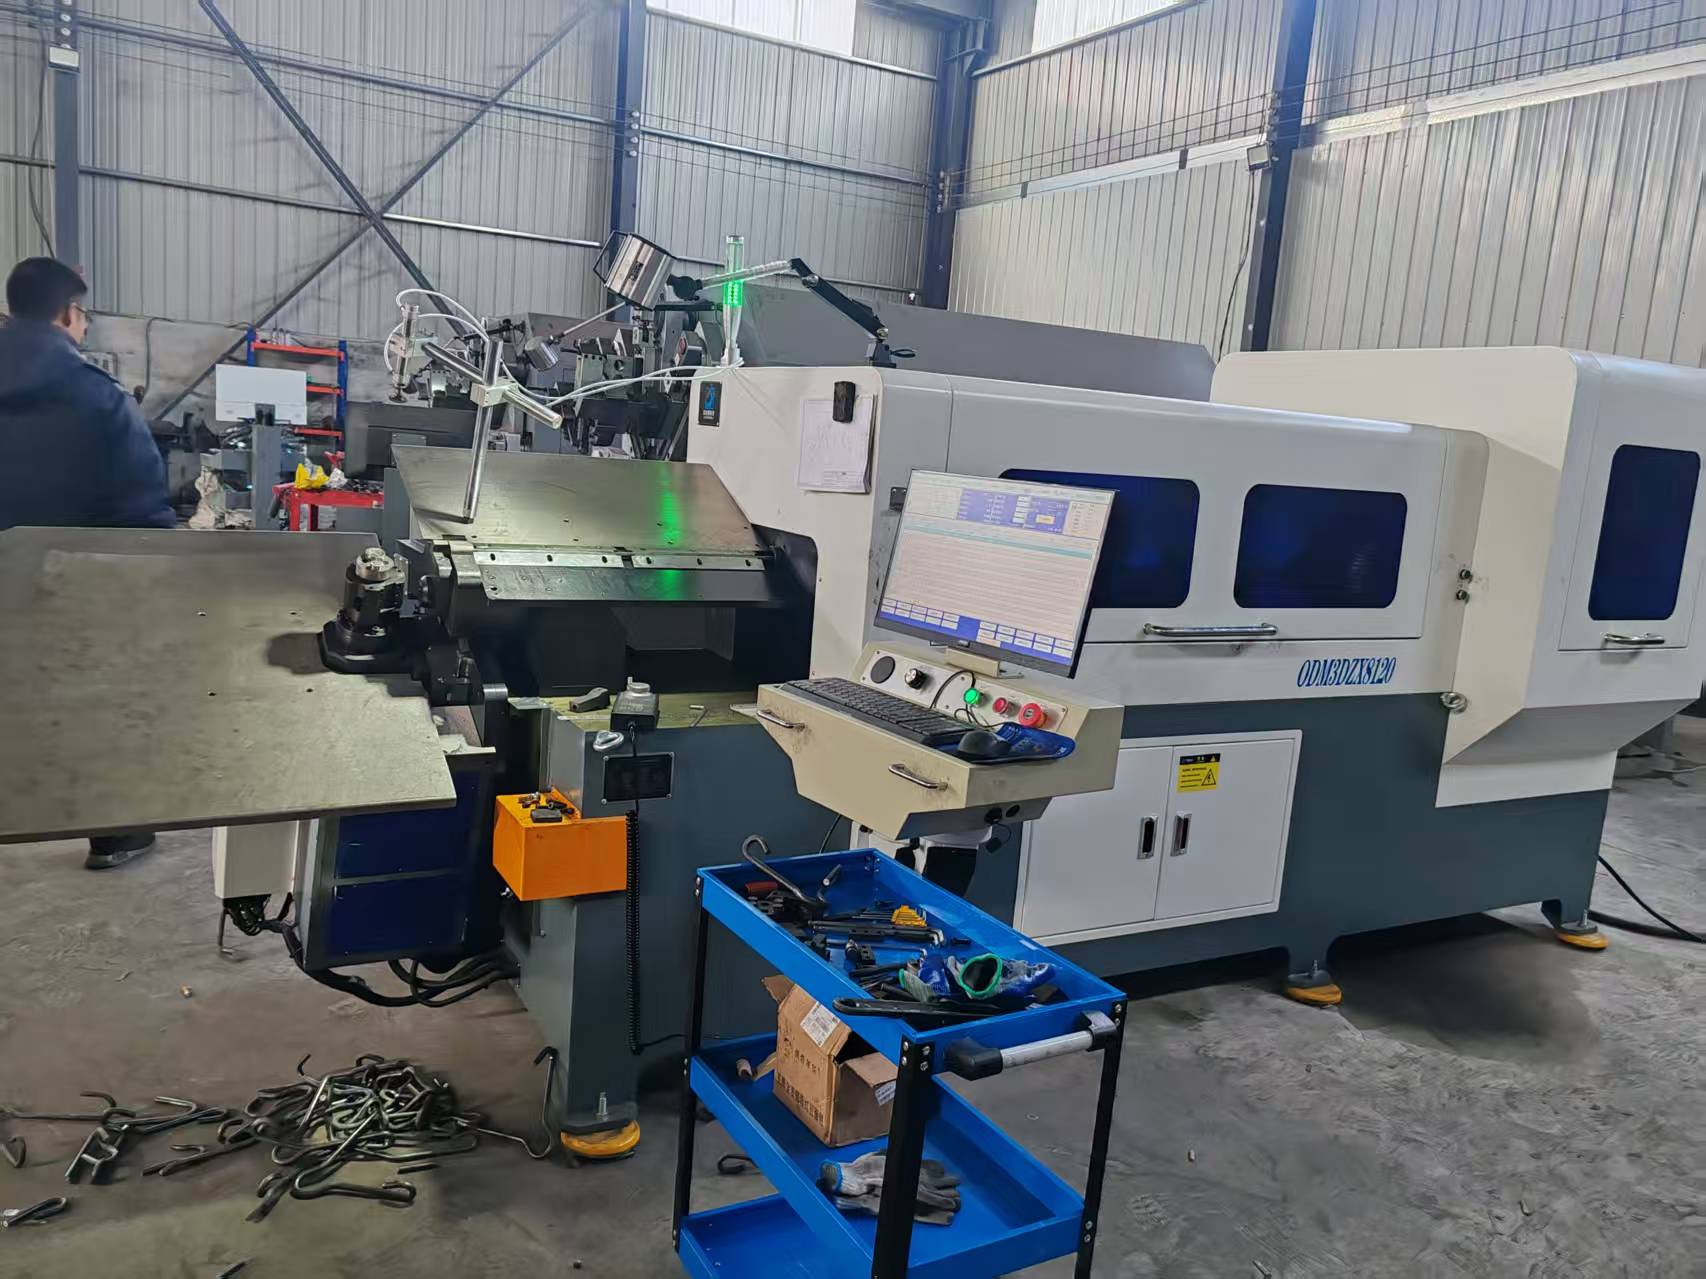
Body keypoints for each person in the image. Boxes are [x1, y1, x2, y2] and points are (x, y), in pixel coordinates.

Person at [1, 257, 174, 869]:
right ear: (69, 314)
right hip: (73, 588)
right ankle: (115, 832)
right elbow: (140, 506)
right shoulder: (97, 395)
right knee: (105, 702)